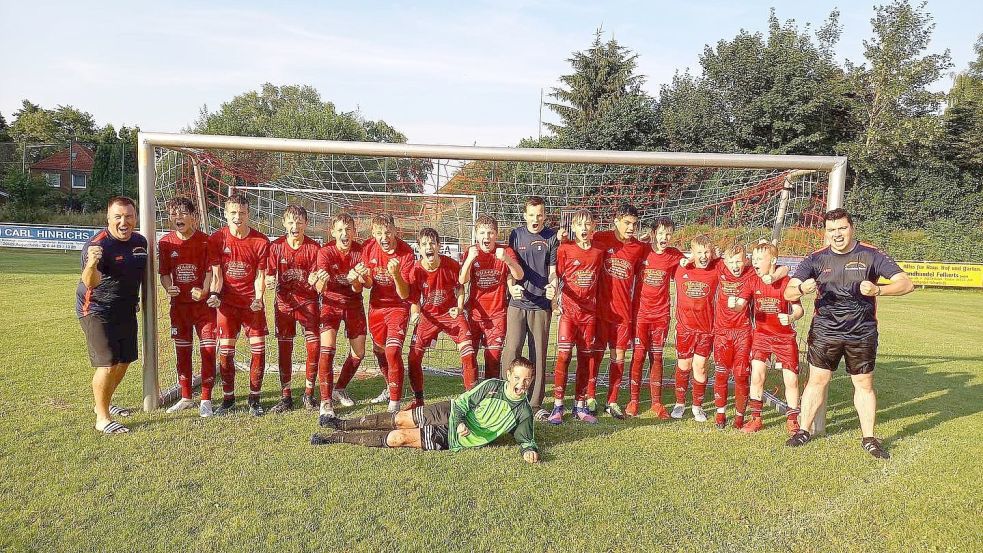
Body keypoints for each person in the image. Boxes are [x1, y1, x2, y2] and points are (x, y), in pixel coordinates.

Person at [784, 208, 914, 458]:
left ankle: (869, 438)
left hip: (861, 332)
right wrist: (801, 287)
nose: (837, 234)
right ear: (826, 232)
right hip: (825, 331)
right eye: (831, 230)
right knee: (816, 381)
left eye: (842, 228)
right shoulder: (816, 258)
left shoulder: (871, 254)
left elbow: (906, 283)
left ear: (851, 227)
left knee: (863, 384)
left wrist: (879, 290)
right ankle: (803, 430)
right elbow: (788, 293)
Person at [311, 357, 540, 464]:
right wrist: (460, 422)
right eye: (517, 377)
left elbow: (526, 439)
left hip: (452, 438)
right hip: (449, 413)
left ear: (531, 382)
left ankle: (333, 438)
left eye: (526, 380)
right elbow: (462, 404)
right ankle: (340, 423)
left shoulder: (523, 413)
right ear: (508, 375)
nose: (521, 384)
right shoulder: (491, 386)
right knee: (400, 419)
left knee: (398, 437)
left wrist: (528, 451)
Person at [77, 196, 148, 433]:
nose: (123, 222)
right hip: (96, 309)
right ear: (108, 218)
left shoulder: (140, 242)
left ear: (135, 218)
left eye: (128, 216)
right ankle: (102, 418)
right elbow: (91, 282)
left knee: (124, 362)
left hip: (126, 309)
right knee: (108, 364)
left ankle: (105, 402)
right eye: (118, 217)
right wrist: (91, 264)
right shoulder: (97, 246)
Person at [208, 194, 270, 416]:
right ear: (225, 214)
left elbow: (260, 276)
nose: (237, 217)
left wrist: (258, 298)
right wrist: (215, 294)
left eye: (242, 213)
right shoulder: (217, 239)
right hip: (227, 307)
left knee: (259, 351)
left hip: (251, 305)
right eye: (233, 213)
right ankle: (229, 399)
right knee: (225, 353)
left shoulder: (261, 241)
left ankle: (255, 399)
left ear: (248, 214)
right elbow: (217, 275)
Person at [734, 242, 803, 434]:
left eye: (759, 259)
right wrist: (735, 305)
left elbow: (799, 309)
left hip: (784, 337)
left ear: (772, 260)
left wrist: (791, 317)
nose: (754, 262)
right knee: (757, 375)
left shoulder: (787, 282)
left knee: (791, 380)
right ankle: (756, 418)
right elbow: (741, 303)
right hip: (761, 335)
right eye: (753, 258)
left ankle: (792, 420)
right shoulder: (752, 280)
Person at [502, 196, 561, 420]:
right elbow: (511, 268)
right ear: (525, 215)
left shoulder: (551, 237)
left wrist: (553, 285)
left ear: (545, 215)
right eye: (532, 214)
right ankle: (507, 398)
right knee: (512, 349)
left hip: (540, 306)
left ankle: (535, 405)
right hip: (517, 303)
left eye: (540, 215)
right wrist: (511, 286)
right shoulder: (516, 235)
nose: (536, 219)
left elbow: (553, 269)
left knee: (538, 354)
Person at [157, 197, 216, 416]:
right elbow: (164, 274)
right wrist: (169, 287)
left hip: (203, 308)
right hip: (179, 308)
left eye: (182, 213)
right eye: (174, 214)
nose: (178, 218)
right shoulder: (165, 243)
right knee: (182, 352)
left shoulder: (205, 241)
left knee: (208, 351)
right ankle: (185, 397)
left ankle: (206, 400)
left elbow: (211, 271)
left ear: (193, 217)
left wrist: (204, 290)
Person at [405, 228, 477, 408]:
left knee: (468, 353)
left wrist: (459, 308)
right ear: (419, 249)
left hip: (451, 314)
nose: (428, 247)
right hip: (428, 317)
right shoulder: (415, 270)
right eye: (424, 244)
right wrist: (415, 312)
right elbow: (414, 300)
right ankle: (418, 400)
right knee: (413, 358)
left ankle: (472, 400)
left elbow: (460, 287)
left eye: (432, 243)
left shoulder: (450, 265)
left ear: (439, 246)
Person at [547, 210, 604, 425]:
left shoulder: (599, 252)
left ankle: (579, 405)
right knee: (563, 356)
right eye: (579, 225)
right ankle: (558, 405)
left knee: (585, 358)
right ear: (573, 227)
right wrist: (554, 301)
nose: (584, 229)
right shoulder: (565, 249)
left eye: (587, 224)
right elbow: (556, 275)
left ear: (593, 228)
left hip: (589, 315)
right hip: (568, 314)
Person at [590, 204, 646, 420]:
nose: (631, 227)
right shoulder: (601, 238)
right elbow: (581, 244)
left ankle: (612, 401)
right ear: (616, 221)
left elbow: (662, 253)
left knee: (619, 355)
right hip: (600, 310)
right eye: (627, 223)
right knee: (596, 353)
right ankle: (591, 396)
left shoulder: (639, 248)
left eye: (634, 224)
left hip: (623, 314)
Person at [266, 205, 322, 415]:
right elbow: (269, 275)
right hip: (284, 304)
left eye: (299, 222)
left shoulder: (314, 248)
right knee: (284, 349)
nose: (294, 226)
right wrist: (270, 281)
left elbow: (319, 282)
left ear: (306, 224)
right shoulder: (276, 247)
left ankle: (309, 394)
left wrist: (316, 280)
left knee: (314, 347)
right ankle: (286, 396)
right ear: (284, 223)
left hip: (308, 302)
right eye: (291, 222)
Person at [312, 212, 370, 410]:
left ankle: (340, 388)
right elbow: (320, 289)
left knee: (359, 352)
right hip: (331, 303)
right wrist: (320, 280)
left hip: (354, 304)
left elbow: (359, 288)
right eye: (340, 230)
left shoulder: (361, 252)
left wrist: (355, 279)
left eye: (348, 230)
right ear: (333, 233)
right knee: (327, 348)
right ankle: (326, 400)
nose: (344, 234)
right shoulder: (325, 252)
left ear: (354, 232)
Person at [628, 217, 684, 418]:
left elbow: (692, 262)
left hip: (661, 315)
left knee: (657, 356)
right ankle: (633, 400)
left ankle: (657, 403)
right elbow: (626, 246)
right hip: (641, 314)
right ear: (653, 233)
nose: (664, 237)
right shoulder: (642, 250)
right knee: (638, 355)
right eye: (660, 233)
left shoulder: (674, 255)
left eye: (668, 234)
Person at [459, 215, 523, 382]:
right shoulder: (471, 252)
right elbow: (462, 280)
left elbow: (519, 274)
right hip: (474, 315)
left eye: (490, 233)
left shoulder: (505, 251)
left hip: (497, 315)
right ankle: (470, 394)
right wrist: (469, 260)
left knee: (493, 358)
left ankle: (491, 395)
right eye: (482, 233)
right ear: (476, 234)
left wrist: (507, 260)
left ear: (497, 234)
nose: (486, 237)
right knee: (469, 356)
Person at [362, 214, 415, 412]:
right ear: (373, 234)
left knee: (393, 350)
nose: (384, 237)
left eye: (387, 232)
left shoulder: (406, 253)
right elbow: (368, 284)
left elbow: (405, 293)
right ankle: (389, 386)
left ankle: (395, 401)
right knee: (379, 351)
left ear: (395, 231)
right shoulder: (369, 248)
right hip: (376, 307)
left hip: (398, 308)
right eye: (379, 233)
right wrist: (361, 276)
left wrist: (396, 274)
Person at [671, 234, 718, 422]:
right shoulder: (679, 268)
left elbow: (737, 261)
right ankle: (680, 403)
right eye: (699, 252)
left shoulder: (716, 269)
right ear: (692, 252)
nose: (704, 256)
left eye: (707, 251)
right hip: (685, 329)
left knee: (700, 367)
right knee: (684, 366)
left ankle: (697, 406)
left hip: (706, 329)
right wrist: (687, 260)